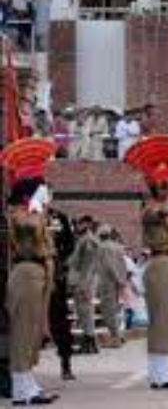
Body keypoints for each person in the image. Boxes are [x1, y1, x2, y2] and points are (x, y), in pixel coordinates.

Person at [124, 135, 168, 389]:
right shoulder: (151, 208)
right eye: (164, 184)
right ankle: (162, 374)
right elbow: (163, 211)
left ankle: (162, 371)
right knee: (162, 320)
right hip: (160, 263)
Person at [2, 138, 60, 405]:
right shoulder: (18, 213)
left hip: (37, 274)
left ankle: (27, 384)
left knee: (34, 331)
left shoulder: (33, 211)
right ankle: (21, 389)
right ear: (29, 193)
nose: (45, 192)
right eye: (40, 189)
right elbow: (31, 230)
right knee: (23, 332)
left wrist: (41, 208)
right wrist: (38, 207)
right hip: (25, 273)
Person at [47, 208, 77, 381]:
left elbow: (70, 244)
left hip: (56, 274)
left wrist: (58, 259)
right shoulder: (24, 214)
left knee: (60, 319)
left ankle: (66, 363)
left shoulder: (58, 216)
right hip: (33, 271)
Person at [67, 215, 101, 355]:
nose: (76, 226)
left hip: (84, 281)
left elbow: (89, 265)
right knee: (84, 312)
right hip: (82, 280)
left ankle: (89, 343)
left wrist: (84, 284)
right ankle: (90, 343)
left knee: (85, 312)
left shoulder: (88, 240)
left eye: (79, 223)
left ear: (87, 224)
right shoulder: (84, 239)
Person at [96, 225, 128, 348]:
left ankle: (115, 338)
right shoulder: (118, 247)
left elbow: (109, 265)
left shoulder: (103, 247)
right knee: (114, 310)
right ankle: (117, 335)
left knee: (108, 311)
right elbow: (123, 264)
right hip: (117, 281)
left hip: (107, 281)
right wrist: (121, 280)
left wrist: (115, 278)